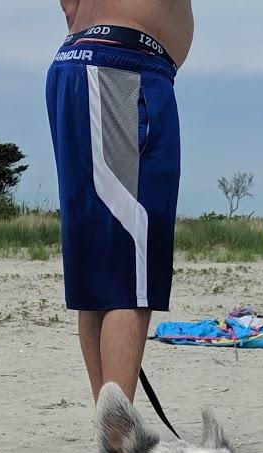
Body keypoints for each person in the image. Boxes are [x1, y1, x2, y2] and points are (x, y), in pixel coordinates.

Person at [47, 2, 194, 405]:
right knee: (131, 275)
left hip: (87, 58)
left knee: (100, 272)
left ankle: (110, 434)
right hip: (125, 66)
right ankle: (117, 447)